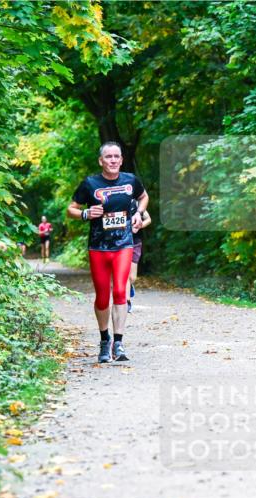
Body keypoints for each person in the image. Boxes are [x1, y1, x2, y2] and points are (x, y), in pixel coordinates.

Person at [67, 142, 149, 363]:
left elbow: (144, 197)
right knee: (102, 296)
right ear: (101, 161)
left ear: (121, 160)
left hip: (123, 244)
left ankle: (119, 343)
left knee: (121, 290)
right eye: (108, 157)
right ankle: (105, 340)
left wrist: (138, 215)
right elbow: (71, 209)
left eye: (116, 157)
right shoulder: (90, 184)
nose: (113, 160)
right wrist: (85, 214)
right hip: (98, 247)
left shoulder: (130, 180)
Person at [127, 204, 151, 312]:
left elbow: (148, 219)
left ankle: (130, 286)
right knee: (125, 276)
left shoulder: (137, 204)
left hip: (135, 243)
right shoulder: (117, 201)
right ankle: (126, 302)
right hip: (120, 243)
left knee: (132, 278)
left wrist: (139, 225)